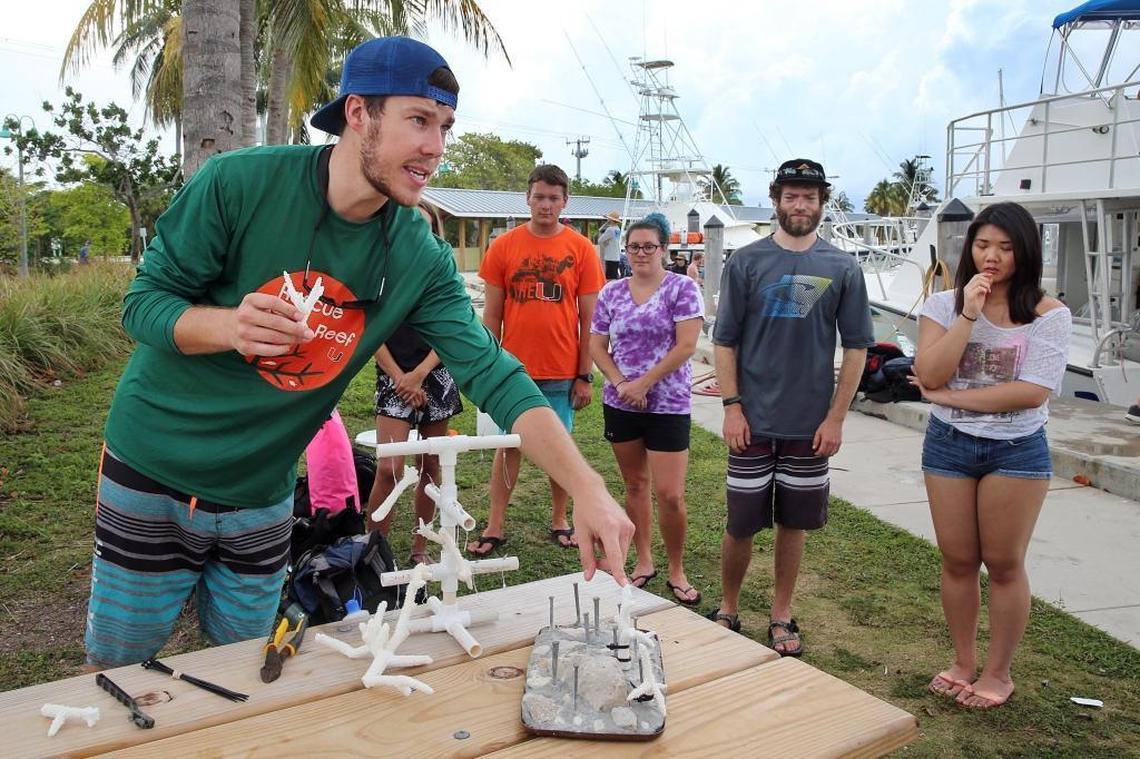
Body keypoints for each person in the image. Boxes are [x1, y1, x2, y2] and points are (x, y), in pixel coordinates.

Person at [84, 37, 633, 669]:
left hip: (263, 492)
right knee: (118, 673)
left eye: (446, 127)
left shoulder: (416, 254)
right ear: (358, 114)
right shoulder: (240, 184)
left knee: (243, 672)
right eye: (418, 120)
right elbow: (143, 303)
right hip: (154, 473)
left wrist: (587, 488)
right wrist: (228, 325)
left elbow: (492, 372)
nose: (436, 148)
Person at [707, 158, 873, 656]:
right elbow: (725, 341)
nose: (800, 205)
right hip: (751, 421)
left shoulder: (842, 267)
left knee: (792, 523)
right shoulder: (747, 263)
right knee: (740, 522)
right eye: (791, 196)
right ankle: (729, 607)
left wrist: (837, 416)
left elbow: (859, 347)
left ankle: (781, 614)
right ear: (777, 199)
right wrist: (733, 407)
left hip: (810, 424)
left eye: (809, 197)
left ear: (822, 203)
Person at [911, 202, 1071, 710]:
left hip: (1017, 447)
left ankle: (998, 672)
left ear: (1025, 252)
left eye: (1005, 247)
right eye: (983, 245)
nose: (992, 257)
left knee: (1003, 562)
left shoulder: (1049, 315)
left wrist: (952, 400)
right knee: (958, 559)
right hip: (949, 446)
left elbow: (1031, 392)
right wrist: (967, 315)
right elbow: (931, 373)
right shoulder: (943, 305)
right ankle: (962, 661)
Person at [467, 164, 605, 555]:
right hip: (513, 372)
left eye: (554, 198)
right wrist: (487, 369)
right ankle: (495, 525)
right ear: (527, 198)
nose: (546, 205)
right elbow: (491, 314)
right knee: (508, 447)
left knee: (559, 448)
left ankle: (560, 519)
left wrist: (584, 375)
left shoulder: (580, 250)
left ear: (565, 202)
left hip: (562, 371)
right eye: (539, 197)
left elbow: (589, 319)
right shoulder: (505, 247)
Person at [589, 212, 704, 604]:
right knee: (636, 485)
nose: (640, 253)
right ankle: (643, 560)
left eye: (648, 246)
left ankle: (676, 568)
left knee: (670, 494)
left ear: (663, 249)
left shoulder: (682, 289)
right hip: (621, 403)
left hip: (668, 404)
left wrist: (645, 383)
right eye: (633, 246)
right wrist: (623, 384)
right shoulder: (611, 293)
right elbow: (596, 346)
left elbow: (686, 345)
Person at [366, 202, 461, 565]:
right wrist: (401, 377)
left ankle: (420, 547)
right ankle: (373, 551)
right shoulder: (377, 274)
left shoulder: (442, 274)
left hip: (434, 374)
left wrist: (420, 374)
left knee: (430, 467)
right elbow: (371, 333)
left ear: (434, 232)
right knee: (389, 468)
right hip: (393, 375)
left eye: (422, 227)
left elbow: (453, 330)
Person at [597, 210, 623, 280]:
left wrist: (606, 224)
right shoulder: (617, 229)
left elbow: (599, 240)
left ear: (610, 220)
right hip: (616, 256)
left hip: (609, 257)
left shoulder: (610, 229)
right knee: (613, 277)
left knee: (609, 278)